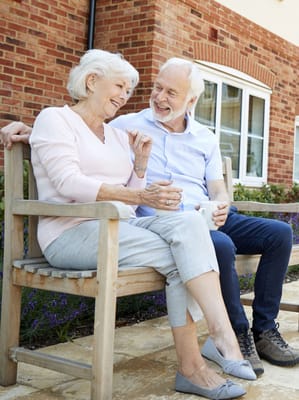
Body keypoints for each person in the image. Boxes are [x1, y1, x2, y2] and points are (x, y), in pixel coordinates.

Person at [2, 56, 299, 378]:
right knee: (216, 245)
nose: (159, 97)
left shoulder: (200, 136)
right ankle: (233, 336)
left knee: (279, 233)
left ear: (191, 100)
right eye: (157, 88)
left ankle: (263, 330)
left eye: (171, 92)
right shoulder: (125, 124)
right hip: (146, 221)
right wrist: (31, 131)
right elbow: (74, 135)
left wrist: (221, 203)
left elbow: (215, 186)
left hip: (200, 214)